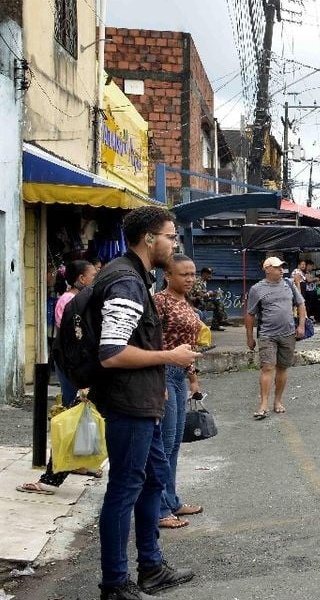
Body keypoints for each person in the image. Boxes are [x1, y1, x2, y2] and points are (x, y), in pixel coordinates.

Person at [92, 206, 199, 599]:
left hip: (145, 397)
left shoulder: (136, 276)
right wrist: (170, 358)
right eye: (170, 236)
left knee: (154, 478)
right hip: (129, 402)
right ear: (149, 239)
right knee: (125, 489)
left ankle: (151, 567)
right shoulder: (126, 281)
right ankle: (115, 584)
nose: (174, 243)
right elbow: (112, 353)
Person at [16, 260, 100, 495]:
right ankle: (54, 475)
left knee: (83, 417)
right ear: (81, 279)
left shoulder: (83, 300)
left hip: (82, 369)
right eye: (93, 275)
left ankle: (74, 465)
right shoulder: (69, 301)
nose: (95, 279)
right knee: (73, 417)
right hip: (75, 369)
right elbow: (74, 339)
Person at [152, 254, 205, 530]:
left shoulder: (186, 302)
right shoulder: (159, 301)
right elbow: (151, 342)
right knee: (164, 444)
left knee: (174, 444)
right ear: (168, 276)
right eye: (184, 274)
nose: (190, 279)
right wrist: (157, 381)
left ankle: (171, 501)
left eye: (192, 274)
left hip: (180, 376)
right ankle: (160, 509)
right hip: (162, 373)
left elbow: (189, 344)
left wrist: (193, 378)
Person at [245, 256, 307, 419]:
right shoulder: (257, 289)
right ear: (267, 269)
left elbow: (300, 304)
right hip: (267, 335)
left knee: (282, 368)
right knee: (267, 367)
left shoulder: (288, 284)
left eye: (282, 267)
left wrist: (301, 325)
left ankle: (278, 401)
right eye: (277, 267)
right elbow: (250, 314)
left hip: (288, 333)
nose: (281, 270)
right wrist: (249, 337)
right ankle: (263, 404)